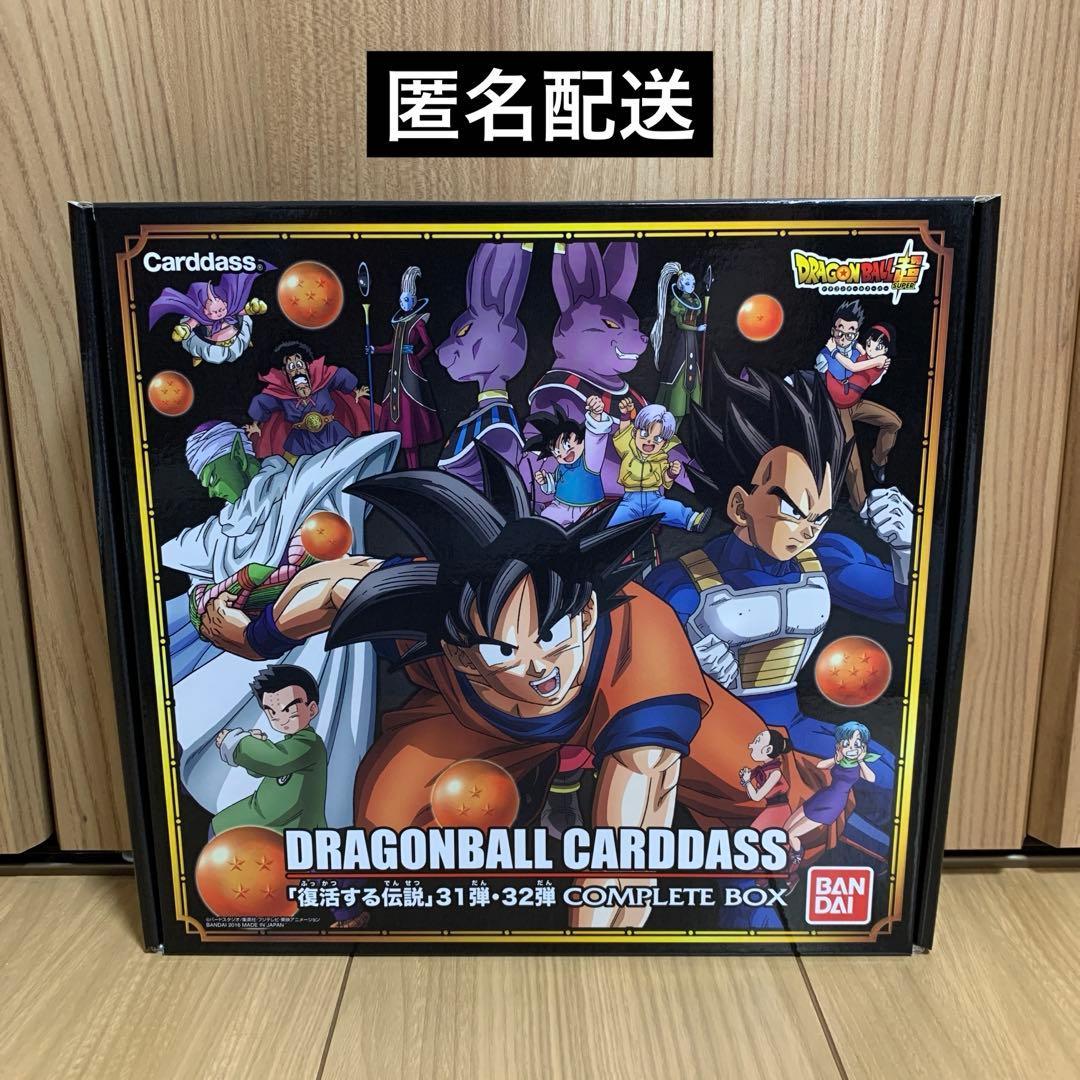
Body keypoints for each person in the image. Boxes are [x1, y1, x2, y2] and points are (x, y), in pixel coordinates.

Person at [195, 446, 820, 930]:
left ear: (584, 613)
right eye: (504, 650)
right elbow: (336, 585)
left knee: (772, 795)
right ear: (460, 654)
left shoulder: (642, 642)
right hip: (480, 725)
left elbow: (629, 854)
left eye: (552, 634)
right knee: (386, 827)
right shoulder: (434, 612)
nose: (539, 665)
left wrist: (594, 971)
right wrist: (258, 637)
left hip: (620, 694)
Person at [647, 362, 912, 861]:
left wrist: (905, 548)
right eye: (793, 510)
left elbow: (901, 606)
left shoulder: (823, 558)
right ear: (739, 505)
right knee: (763, 837)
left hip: (794, 726)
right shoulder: (678, 585)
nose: (808, 528)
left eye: (821, 515)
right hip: (714, 744)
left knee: (889, 780)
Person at [160, 419, 399, 828]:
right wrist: (211, 599)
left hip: (319, 644)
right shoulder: (220, 532)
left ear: (239, 455)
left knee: (325, 753)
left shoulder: (305, 483)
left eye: (213, 476)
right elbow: (172, 557)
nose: (211, 490)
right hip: (246, 661)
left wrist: (254, 585)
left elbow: (381, 443)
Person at [211, 665, 327, 834]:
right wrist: (259, 745)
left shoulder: (310, 744)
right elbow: (263, 768)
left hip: (290, 826)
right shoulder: (293, 742)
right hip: (271, 818)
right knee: (219, 825)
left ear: (312, 709)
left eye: (288, 709)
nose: (279, 717)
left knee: (220, 827)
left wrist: (236, 742)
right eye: (271, 712)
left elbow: (275, 761)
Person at [245, 340, 373, 460]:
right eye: (291, 367)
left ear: (306, 366)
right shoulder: (282, 395)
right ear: (285, 372)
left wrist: (355, 391)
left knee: (349, 458)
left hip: (332, 433)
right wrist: (256, 425)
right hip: (301, 442)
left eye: (299, 365)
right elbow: (261, 404)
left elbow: (341, 376)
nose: (296, 370)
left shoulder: (322, 381)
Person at [594, 402, 710, 532]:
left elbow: (665, 479)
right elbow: (623, 433)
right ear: (635, 433)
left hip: (655, 500)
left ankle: (693, 520)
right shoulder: (628, 449)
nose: (649, 440)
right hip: (631, 500)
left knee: (674, 508)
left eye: (657, 439)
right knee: (614, 520)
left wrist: (671, 473)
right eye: (644, 434)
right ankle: (604, 536)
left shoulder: (661, 458)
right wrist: (625, 415)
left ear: (664, 443)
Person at [783, 721, 878, 882]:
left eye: (857, 744)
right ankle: (782, 863)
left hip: (832, 804)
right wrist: (836, 758)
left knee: (793, 834)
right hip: (822, 796)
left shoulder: (858, 766)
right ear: (840, 745)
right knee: (785, 830)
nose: (852, 748)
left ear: (863, 747)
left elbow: (871, 778)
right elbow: (820, 765)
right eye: (847, 743)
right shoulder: (839, 760)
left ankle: (794, 866)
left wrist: (861, 760)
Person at [368, 266, 443, 468]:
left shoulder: (417, 322)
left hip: (409, 373)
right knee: (396, 417)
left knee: (410, 416)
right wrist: (375, 349)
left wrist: (414, 357)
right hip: (395, 372)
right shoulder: (399, 324)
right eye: (402, 300)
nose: (404, 303)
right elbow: (392, 346)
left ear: (414, 300)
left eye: (407, 299)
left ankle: (414, 467)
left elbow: (428, 345)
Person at [148, 268, 272, 366]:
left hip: (236, 336)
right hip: (211, 343)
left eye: (221, 309)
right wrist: (185, 329)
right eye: (215, 312)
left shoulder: (231, 310)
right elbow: (191, 323)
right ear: (206, 312)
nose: (220, 313)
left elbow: (241, 312)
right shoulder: (200, 317)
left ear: (225, 304)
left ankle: (245, 343)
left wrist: (252, 309)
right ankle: (198, 355)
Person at [525, 401, 608, 524]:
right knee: (546, 520)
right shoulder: (561, 467)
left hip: (586, 509)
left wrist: (596, 416)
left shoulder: (590, 462)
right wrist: (545, 481)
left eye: (566, 446)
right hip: (560, 506)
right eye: (557, 453)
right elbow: (555, 485)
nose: (563, 455)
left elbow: (595, 441)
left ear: (582, 440)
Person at [650, 261, 707, 427]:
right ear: (681, 286)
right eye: (688, 283)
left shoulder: (694, 301)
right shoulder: (678, 303)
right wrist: (697, 328)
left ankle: (689, 409)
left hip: (692, 342)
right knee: (679, 370)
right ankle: (673, 415)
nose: (692, 286)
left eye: (693, 283)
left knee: (693, 369)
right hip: (682, 341)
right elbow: (681, 324)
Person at [739, 728, 792, 832]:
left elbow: (756, 797)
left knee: (754, 835)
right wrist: (747, 780)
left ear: (768, 750)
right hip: (772, 810)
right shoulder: (763, 771)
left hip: (778, 812)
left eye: (757, 742)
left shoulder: (775, 773)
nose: (751, 745)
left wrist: (747, 781)